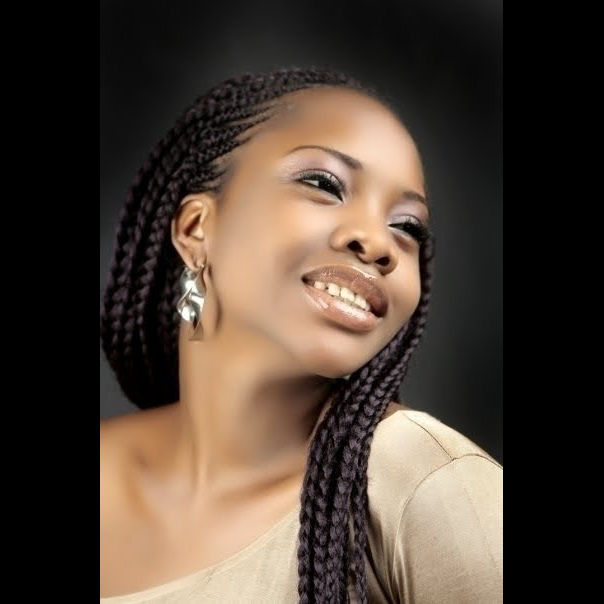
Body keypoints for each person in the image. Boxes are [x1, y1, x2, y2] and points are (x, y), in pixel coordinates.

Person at [100, 66, 502, 603]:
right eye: (324, 185)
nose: (377, 243)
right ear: (196, 228)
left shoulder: (423, 481)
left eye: (407, 227)